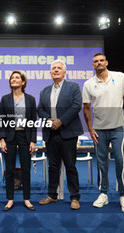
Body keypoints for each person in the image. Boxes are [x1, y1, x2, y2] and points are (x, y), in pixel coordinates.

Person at [82, 53, 124, 213]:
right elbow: (86, 108)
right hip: (99, 130)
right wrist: (90, 129)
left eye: (101, 60)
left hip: (119, 127)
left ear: (106, 62)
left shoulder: (120, 77)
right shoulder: (89, 84)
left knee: (121, 160)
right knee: (101, 163)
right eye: (95, 62)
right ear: (93, 65)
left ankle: (123, 195)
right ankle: (103, 194)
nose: (98, 63)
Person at [38, 59, 83, 210]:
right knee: (53, 166)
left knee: (70, 166)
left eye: (59, 68)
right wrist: (48, 120)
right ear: (50, 73)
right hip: (51, 134)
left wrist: (61, 121)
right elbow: (40, 109)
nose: (56, 70)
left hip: (68, 133)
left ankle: (75, 197)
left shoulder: (73, 87)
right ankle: (52, 195)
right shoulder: (44, 90)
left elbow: (76, 105)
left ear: (64, 72)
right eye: (53, 68)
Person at [0, 71, 37, 211]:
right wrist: (2, 139)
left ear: (23, 82)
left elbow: (33, 120)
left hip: (25, 136)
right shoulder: (5, 99)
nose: (14, 80)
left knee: (25, 169)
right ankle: (10, 199)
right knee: (9, 170)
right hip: (9, 136)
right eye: (12, 78)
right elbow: (1, 120)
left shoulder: (30, 99)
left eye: (17, 78)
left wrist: (33, 141)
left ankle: (27, 199)